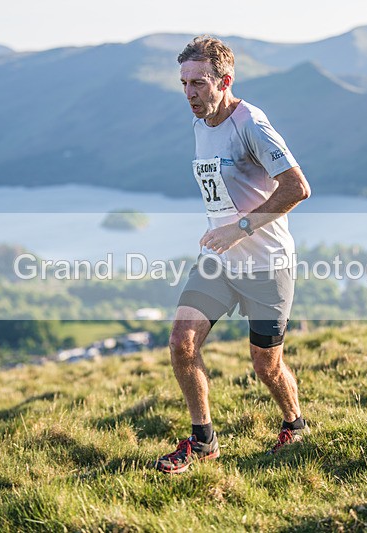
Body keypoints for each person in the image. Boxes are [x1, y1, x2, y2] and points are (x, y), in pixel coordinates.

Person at [155, 36, 312, 474]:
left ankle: (294, 423)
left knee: (266, 366)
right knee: (181, 344)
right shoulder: (199, 123)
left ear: (225, 80)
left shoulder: (251, 124)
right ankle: (203, 442)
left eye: (199, 83)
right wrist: (222, 234)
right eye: (184, 83)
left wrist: (239, 227)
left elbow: (297, 188)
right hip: (220, 262)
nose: (189, 93)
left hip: (267, 265)